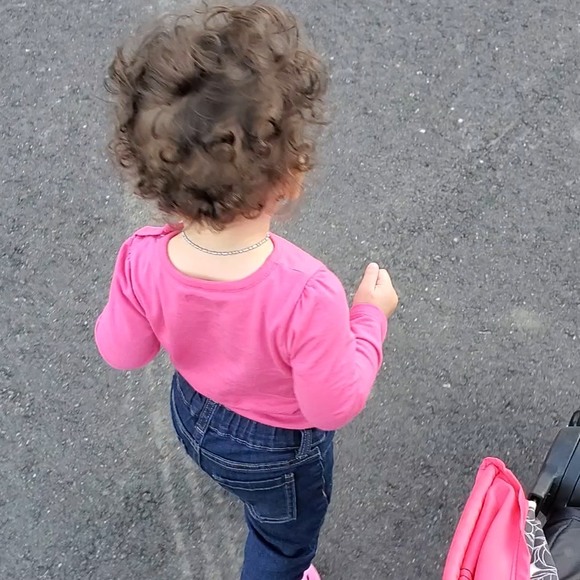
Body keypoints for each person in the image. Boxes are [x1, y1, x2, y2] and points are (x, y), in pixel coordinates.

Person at [95, 4, 398, 579]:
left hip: (193, 414)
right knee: (282, 543)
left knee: (244, 482)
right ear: (289, 179)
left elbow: (122, 350)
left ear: (157, 184)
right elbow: (332, 405)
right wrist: (369, 318)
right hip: (277, 449)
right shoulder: (308, 293)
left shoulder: (141, 256)